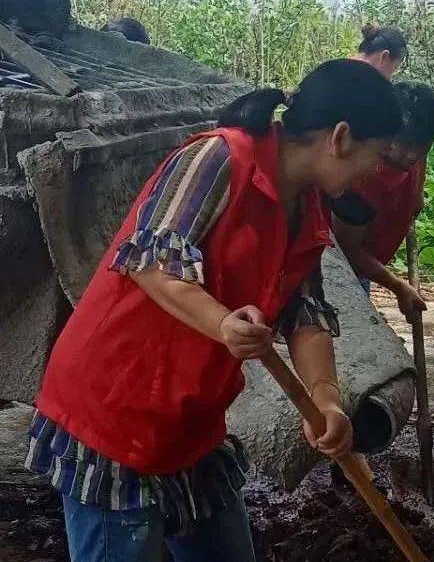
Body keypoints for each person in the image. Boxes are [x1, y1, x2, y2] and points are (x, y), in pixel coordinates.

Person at [25, 59, 402, 561]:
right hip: (117, 407)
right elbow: (150, 263)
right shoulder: (218, 158)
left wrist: (326, 399)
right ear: (341, 137)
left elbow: (305, 313)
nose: (374, 173)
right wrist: (221, 323)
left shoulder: (309, 207)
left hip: (193, 416)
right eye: (376, 156)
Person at [330, 81, 434, 323]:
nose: (410, 155)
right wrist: (398, 286)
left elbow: (418, 162)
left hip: (374, 248)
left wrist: (417, 194)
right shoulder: (357, 177)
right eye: (404, 145)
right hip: (341, 269)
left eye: (421, 146)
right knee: (351, 324)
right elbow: (349, 250)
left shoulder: (415, 152)